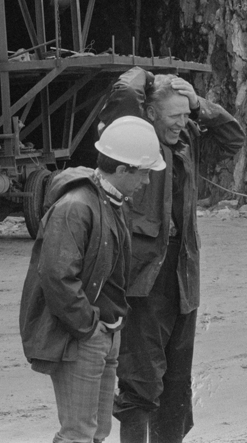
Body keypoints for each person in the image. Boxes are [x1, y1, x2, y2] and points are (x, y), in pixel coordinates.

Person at [99, 67, 245, 443]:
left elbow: (233, 138)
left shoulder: (187, 139)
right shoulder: (136, 141)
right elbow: (120, 97)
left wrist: (198, 106)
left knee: (177, 383)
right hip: (143, 281)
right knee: (140, 383)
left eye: (185, 116)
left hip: (182, 277)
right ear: (150, 114)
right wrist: (144, 77)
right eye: (174, 116)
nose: (182, 123)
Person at [20, 116, 166, 443]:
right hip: (83, 336)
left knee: (97, 431)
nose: (146, 182)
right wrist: (88, 326)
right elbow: (57, 275)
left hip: (102, 331)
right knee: (78, 434)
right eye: (143, 173)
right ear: (124, 169)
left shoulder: (107, 200)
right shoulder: (76, 206)